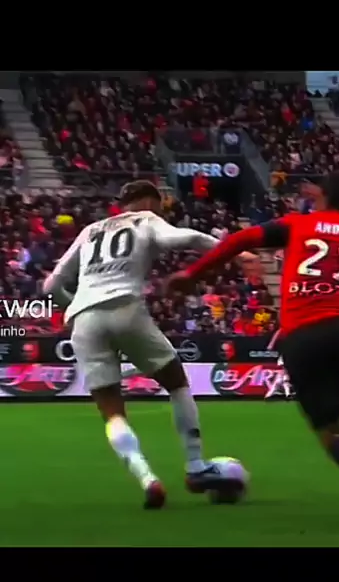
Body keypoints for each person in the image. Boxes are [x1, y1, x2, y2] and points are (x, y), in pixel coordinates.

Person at [168, 173, 339, 521]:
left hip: (301, 337)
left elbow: (241, 239)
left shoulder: (298, 224)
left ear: (326, 197)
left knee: (333, 434)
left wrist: (193, 273)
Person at [42, 179, 257, 509]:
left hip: (84, 320)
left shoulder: (90, 231)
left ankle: (147, 479)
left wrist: (74, 307)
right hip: (125, 307)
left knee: (111, 410)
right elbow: (188, 238)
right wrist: (235, 252)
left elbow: (51, 285)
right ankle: (195, 466)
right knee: (176, 382)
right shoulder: (146, 219)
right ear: (149, 202)